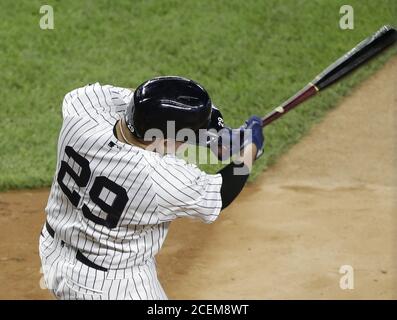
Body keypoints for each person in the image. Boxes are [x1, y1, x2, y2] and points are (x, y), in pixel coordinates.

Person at [39, 76, 264, 299]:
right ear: (164, 140)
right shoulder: (159, 179)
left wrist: (213, 137)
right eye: (185, 138)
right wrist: (250, 148)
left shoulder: (82, 110)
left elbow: (137, 102)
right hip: (111, 287)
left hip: (53, 252)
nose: (187, 143)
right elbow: (220, 193)